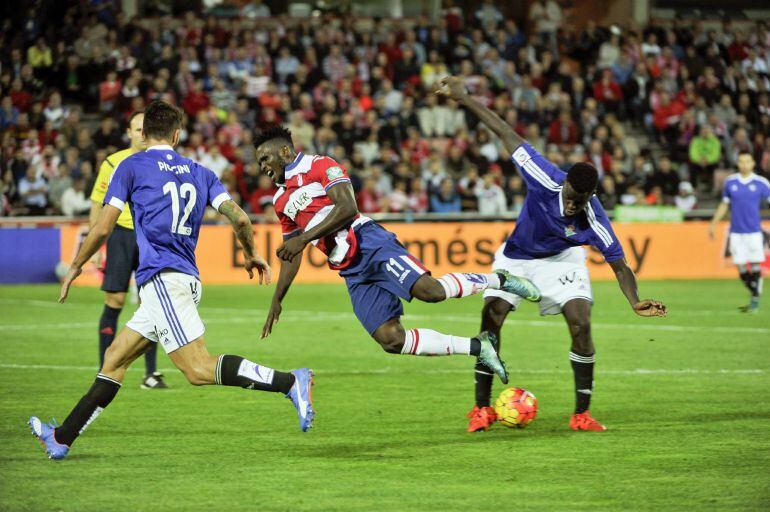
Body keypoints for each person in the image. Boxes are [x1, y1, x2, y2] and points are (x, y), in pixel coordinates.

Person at [29, 101, 314, 461]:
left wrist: (76, 265)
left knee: (196, 369)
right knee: (115, 360)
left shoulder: (130, 165)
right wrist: (250, 253)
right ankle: (61, 437)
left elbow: (103, 226)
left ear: (144, 134)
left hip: (163, 279)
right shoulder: (201, 171)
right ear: (177, 135)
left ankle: (291, 382)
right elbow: (240, 218)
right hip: (181, 278)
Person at [436, 76, 667, 433]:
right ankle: (482, 408)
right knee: (491, 316)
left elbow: (619, 264)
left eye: (581, 199)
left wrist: (634, 301)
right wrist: (465, 98)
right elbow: (505, 132)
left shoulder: (593, 216)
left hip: (562, 260)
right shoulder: (544, 177)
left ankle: (581, 414)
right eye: (571, 195)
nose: (573, 203)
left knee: (581, 323)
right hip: (517, 257)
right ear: (566, 184)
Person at [254, 125, 541, 386]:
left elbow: (348, 208)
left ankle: (498, 279)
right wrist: (277, 299)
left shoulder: (320, 165)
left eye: (265, 159)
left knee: (431, 291)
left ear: (284, 150)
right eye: (259, 163)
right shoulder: (281, 201)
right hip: (350, 268)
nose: (262, 167)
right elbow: (291, 252)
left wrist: (304, 238)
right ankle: (480, 347)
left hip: (369, 242)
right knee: (390, 339)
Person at [89, 111, 165, 389]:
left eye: (145, 129)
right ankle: (103, 370)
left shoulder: (160, 162)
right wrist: (96, 244)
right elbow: (97, 203)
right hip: (120, 235)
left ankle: (151, 375)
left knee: (153, 303)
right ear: (129, 132)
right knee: (115, 301)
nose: (141, 134)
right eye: (136, 129)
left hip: (150, 236)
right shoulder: (113, 162)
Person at [709, 151, 770, 312]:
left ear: (753, 164)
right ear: (738, 163)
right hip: (736, 232)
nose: (744, 165)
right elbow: (724, 205)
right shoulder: (730, 182)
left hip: (754, 232)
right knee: (741, 268)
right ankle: (755, 291)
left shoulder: (761, 183)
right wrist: (713, 223)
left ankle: (755, 300)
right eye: (741, 161)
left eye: (747, 161)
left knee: (756, 264)